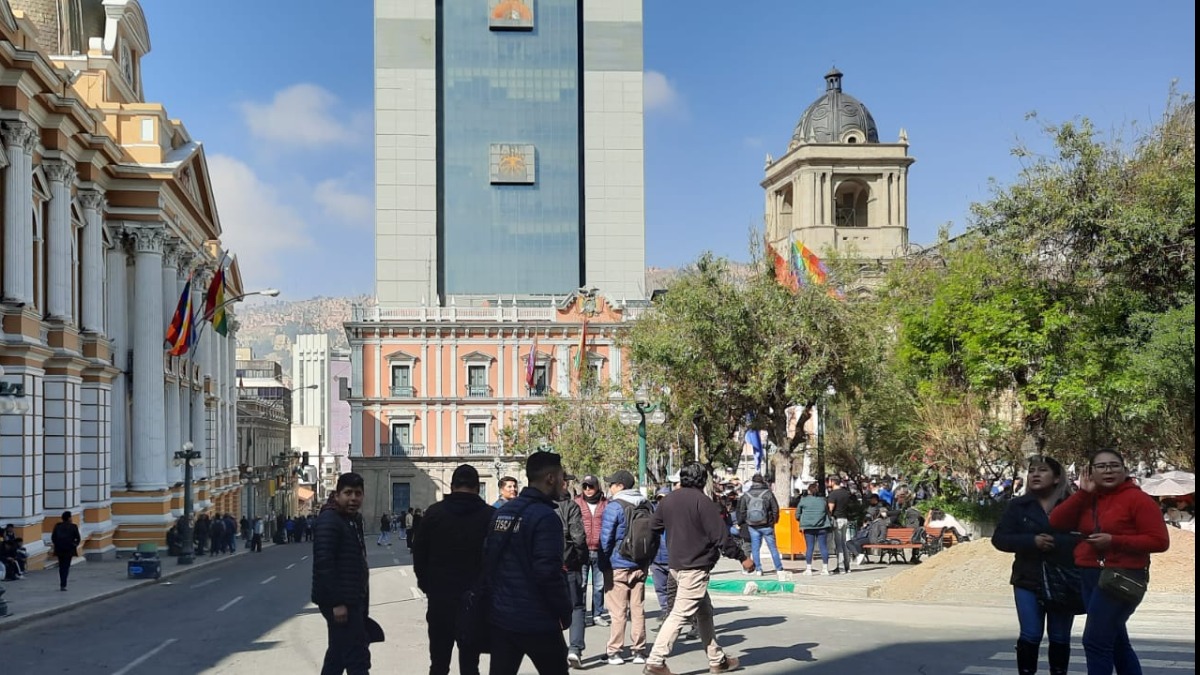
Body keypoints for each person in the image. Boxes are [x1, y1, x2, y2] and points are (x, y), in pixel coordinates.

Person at [1049, 449, 1170, 675]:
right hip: (1088, 574)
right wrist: (1083, 494)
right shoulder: (1087, 498)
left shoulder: (1138, 499)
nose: (1108, 471)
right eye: (1101, 466)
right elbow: (1056, 522)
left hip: (1121, 577)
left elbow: (1160, 541)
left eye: (1114, 465)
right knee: (1115, 642)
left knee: (1095, 641)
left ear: (1124, 470)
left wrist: (1114, 541)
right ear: (1090, 472)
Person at [643, 462, 752, 675]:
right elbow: (721, 537)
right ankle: (656, 660)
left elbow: (653, 526)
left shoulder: (669, 500)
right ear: (703, 480)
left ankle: (717, 659)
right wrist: (742, 558)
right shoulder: (703, 502)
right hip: (695, 567)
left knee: (704, 612)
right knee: (679, 615)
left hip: (676, 565)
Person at [484, 451, 572, 675]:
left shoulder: (502, 514)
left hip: (503, 618)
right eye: (562, 477)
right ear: (550, 478)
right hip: (537, 620)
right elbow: (548, 573)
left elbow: (488, 561)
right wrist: (564, 610)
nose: (564, 483)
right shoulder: (545, 517)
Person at [992, 455, 1079, 675]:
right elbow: (1000, 539)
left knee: (1060, 636)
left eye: (1042, 470)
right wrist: (1032, 542)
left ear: (1057, 477)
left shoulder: (1072, 505)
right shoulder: (1018, 506)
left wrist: (1057, 542)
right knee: (1030, 634)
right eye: (1032, 471)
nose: (1035, 475)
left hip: (1063, 579)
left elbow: (1085, 537)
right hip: (1027, 578)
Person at [413, 464, 495, 675]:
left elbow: (419, 553)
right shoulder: (490, 516)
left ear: (452, 485)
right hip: (476, 601)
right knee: (470, 664)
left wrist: (426, 584)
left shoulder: (434, 514)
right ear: (478, 487)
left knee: (439, 663)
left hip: (441, 598)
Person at [312, 473, 373, 675]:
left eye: (358, 493)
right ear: (337, 495)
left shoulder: (350, 519)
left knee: (337, 656)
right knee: (358, 657)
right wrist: (337, 603)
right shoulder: (330, 520)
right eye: (348, 493)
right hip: (341, 602)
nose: (353, 498)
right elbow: (324, 564)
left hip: (352, 598)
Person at [600, 469, 650, 665]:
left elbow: (606, 537)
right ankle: (639, 651)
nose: (609, 487)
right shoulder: (646, 504)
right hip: (640, 563)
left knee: (618, 611)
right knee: (638, 609)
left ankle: (615, 651)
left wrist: (604, 564)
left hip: (617, 564)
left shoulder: (614, 506)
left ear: (620, 486)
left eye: (611, 484)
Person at [553, 473, 588, 669]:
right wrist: (580, 558)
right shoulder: (570, 506)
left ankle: (557, 651)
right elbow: (579, 537)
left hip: (547, 567)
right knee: (576, 607)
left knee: (549, 609)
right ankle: (575, 649)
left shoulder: (540, 507)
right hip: (569, 565)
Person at [573, 474, 610, 627]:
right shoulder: (576, 503)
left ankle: (597, 615)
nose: (588, 490)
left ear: (597, 487)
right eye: (585, 486)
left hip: (600, 550)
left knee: (599, 585)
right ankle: (581, 616)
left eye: (591, 486)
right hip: (582, 550)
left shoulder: (606, 503)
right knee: (581, 585)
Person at [735, 473, 784, 579]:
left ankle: (758, 569)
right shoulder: (768, 493)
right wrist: (773, 521)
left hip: (753, 525)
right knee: (773, 548)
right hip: (767, 525)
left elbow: (742, 510)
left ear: (753, 482)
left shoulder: (746, 495)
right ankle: (779, 569)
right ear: (762, 481)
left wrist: (745, 521)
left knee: (755, 549)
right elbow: (775, 509)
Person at [796, 482, 833, 575]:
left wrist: (801, 519)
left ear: (809, 491)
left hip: (808, 527)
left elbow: (797, 514)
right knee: (823, 547)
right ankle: (825, 569)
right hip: (822, 526)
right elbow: (828, 512)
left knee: (809, 548)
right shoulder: (822, 500)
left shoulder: (803, 500)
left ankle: (809, 569)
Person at [826, 477, 855, 573]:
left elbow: (830, 508)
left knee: (838, 544)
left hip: (837, 520)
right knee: (843, 542)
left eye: (829, 481)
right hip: (845, 519)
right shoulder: (845, 493)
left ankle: (841, 567)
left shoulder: (833, 494)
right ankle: (847, 566)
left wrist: (828, 517)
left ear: (833, 482)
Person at [50, 511, 81, 591]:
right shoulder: (73, 526)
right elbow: (78, 538)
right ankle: (63, 584)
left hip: (59, 549)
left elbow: (53, 537)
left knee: (61, 566)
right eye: (71, 517)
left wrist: (57, 545)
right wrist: (74, 544)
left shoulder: (57, 526)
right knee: (66, 567)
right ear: (69, 518)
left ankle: (62, 583)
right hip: (69, 550)